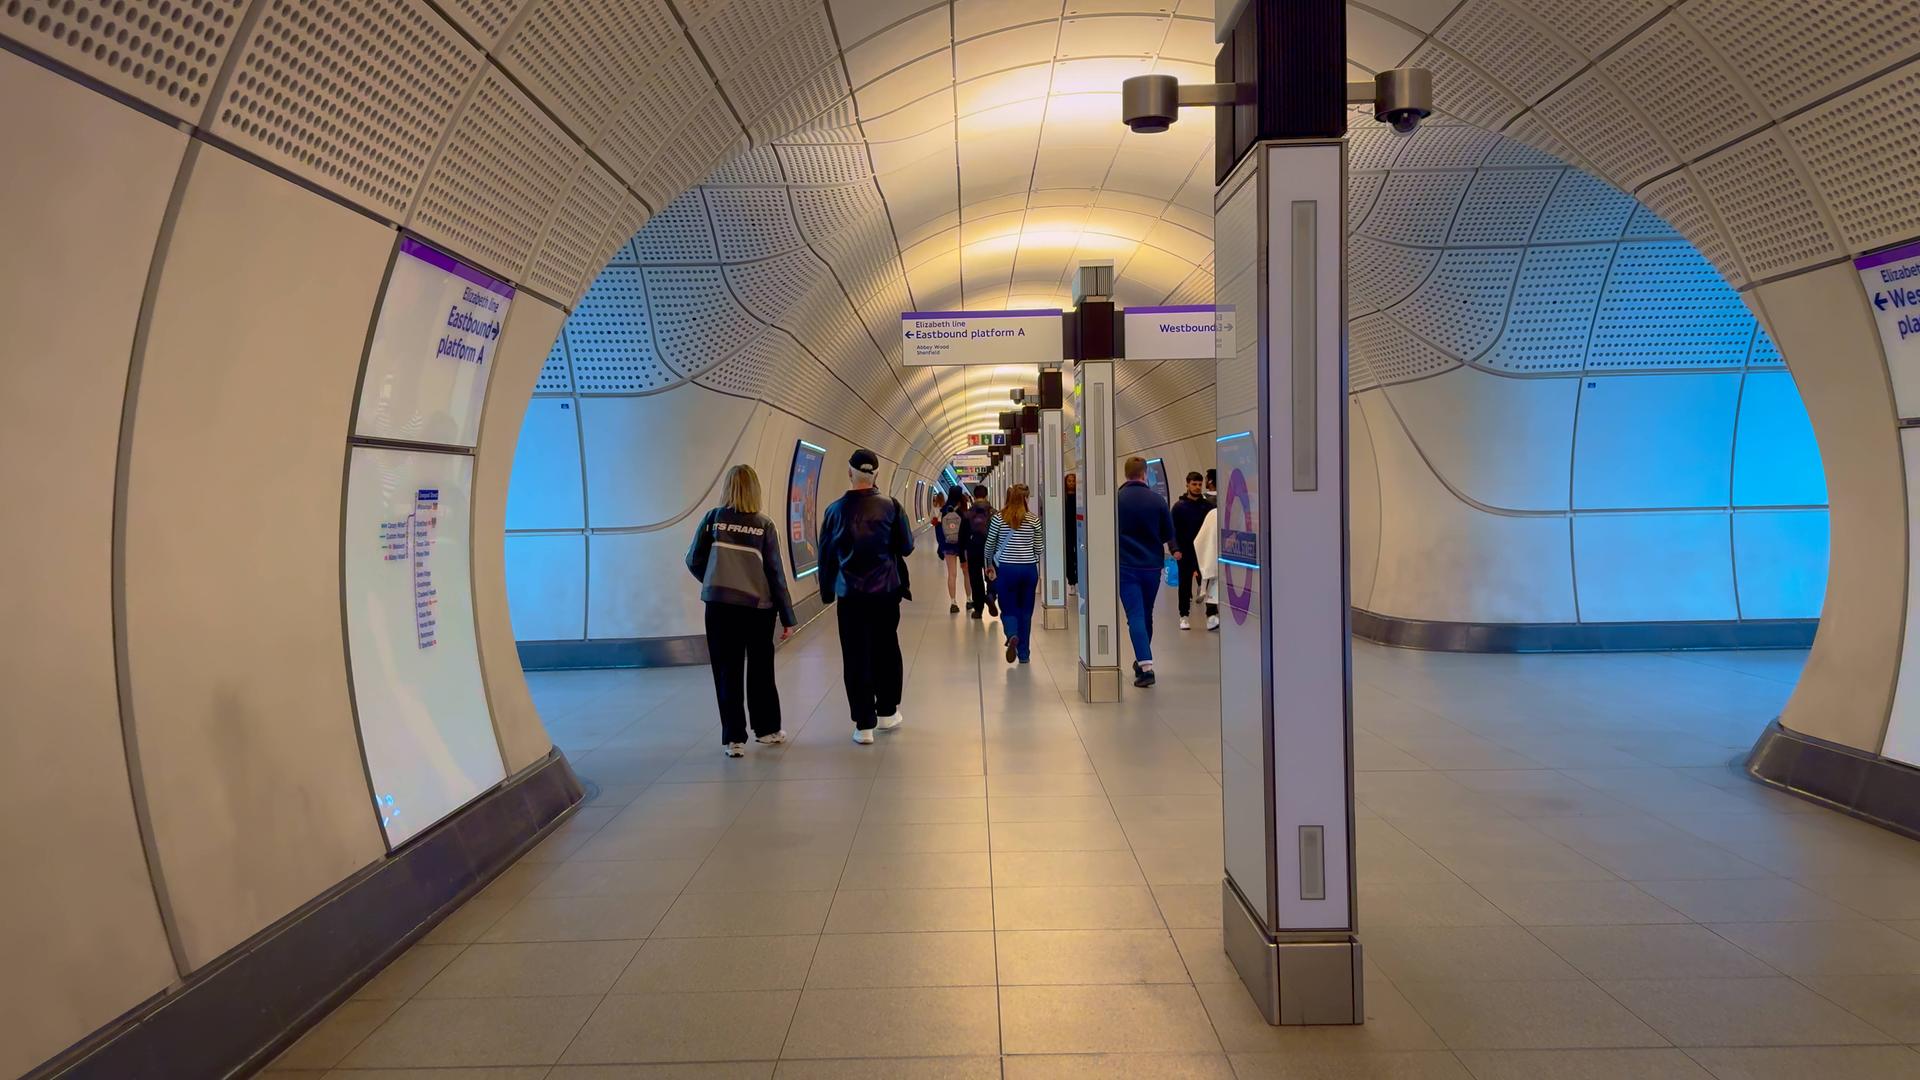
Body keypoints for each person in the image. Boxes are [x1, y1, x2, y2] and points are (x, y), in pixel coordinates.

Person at [685, 464, 796, 757]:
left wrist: (713, 581)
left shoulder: (713, 520)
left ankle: (734, 739)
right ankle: (767, 729)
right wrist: (788, 617)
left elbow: (693, 559)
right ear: (755, 490)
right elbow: (775, 575)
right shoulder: (764, 525)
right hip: (758, 609)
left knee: (727, 670)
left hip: (720, 607)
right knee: (761, 670)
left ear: (727, 488)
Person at [818, 448, 914, 744]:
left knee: (856, 654)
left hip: (850, 595)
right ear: (876, 475)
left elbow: (825, 557)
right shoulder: (892, 506)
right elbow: (907, 546)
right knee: (886, 647)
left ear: (849, 473)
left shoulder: (834, 511)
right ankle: (887, 711)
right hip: (885, 591)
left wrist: (826, 593)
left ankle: (864, 724)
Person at [1116, 455, 1176, 687]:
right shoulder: (1158, 500)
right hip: (1151, 566)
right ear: (1144, 474)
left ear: (1126, 474)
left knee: (1135, 616)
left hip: (1125, 566)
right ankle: (1143, 658)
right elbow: (1166, 533)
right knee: (1146, 613)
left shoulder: (1117, 499)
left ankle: (1146, 666)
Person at [986, 484, 1043, 664]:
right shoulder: (1034, 520)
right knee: (1026, 612)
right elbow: (1039, 548)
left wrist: (989, 565)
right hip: (1028, 570)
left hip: (1006, 569)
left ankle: (1012, 635)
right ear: (1025, 499)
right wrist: (1029, 555)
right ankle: (1024, 654)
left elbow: (989, 546)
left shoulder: (998, 519)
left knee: (1008, 607)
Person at [1171, 470, 1216, 631]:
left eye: (1199, 484)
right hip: (1185, 552)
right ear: (1187, 485)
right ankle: (1184, 616)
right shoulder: (1178, 507)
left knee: (1209, 582)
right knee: (1184, 585)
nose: (1197, 487)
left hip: (1203, 552)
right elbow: (1172, 531)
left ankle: (1211, 615)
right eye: (1194, 484)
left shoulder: (1208, 506)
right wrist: (1174, 549)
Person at [964, 484, 998, 619]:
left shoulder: (968, 514)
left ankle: (978, 609)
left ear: (974, 496)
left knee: (975, 578)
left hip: (973, 550)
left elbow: (963, 535)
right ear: (986, 495)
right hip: (991, 550)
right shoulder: (994, 513)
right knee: (991, 575)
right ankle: (990, 595)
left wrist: (962, 555)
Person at [936, 486, 971, 614]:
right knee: (966, 573)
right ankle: (969, 600)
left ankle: (953, 602)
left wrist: (941, 546)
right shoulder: (963, 510)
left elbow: (938, 529)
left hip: (948, 545)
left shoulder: (944, 510)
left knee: (952, 574)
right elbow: (968, 531)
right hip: (962, 546)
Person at [1195, 503, 1221, 631]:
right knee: (1213, 584)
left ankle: (1212, 614)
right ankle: (1211, 615)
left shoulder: (1214, 513)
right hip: (1215, 556)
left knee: (1213, 584)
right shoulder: (1214, 514)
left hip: (1220, 556)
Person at [1063, 471, 1079, 590]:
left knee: (1079, 554)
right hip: (1067, 530)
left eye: (1073, 481)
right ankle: (1071, 581)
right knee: (1069, 555)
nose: (1072, 483)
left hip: (1079, 529)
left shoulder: (1080, 498)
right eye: (1069, 481)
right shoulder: (1064, 499)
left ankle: (1079, 578)